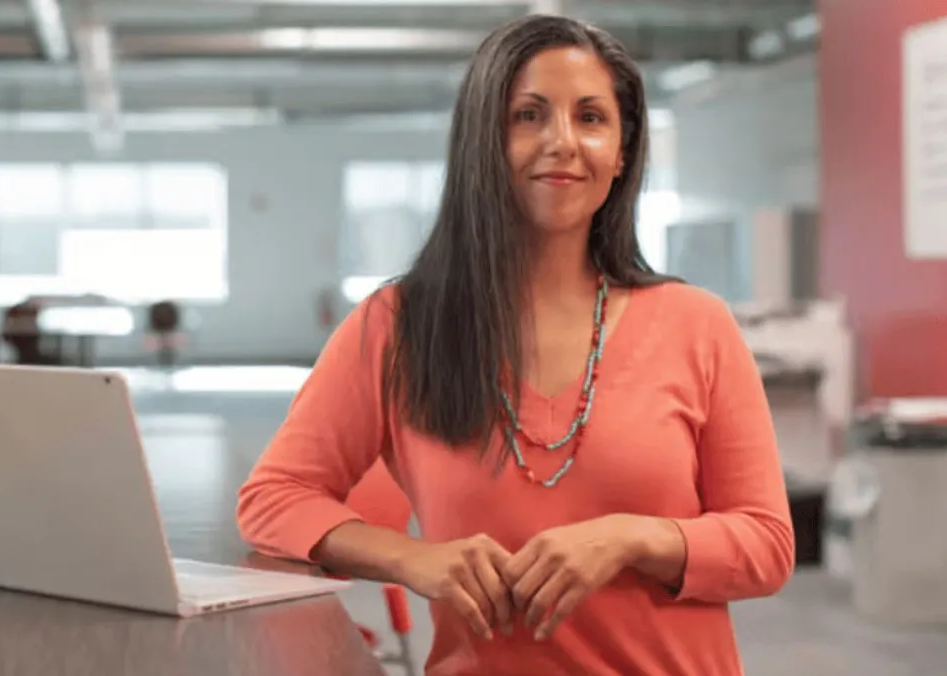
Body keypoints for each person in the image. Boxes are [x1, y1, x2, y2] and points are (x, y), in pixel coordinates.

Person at [237, 14, 794, 676]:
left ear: (621, 152)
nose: (562, 142)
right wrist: (411, 558)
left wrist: (633, 537)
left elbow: (767, 544)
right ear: (484, 141)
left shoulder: (698, 324)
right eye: (529, 115)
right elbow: (273, 500)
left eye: (591, 118)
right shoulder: (397, 325)